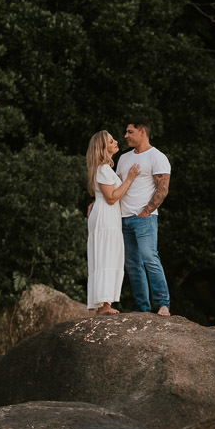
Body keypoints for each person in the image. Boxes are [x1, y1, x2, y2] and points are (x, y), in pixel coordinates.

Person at [116, 119, 172, 316]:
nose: (126, 136)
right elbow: (117, 187)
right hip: (123, 218)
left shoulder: (157, 157)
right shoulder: (123, 158)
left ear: (142, 132)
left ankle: (163, 304)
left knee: (149, 258)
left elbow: (162, 189)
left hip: (144, 218)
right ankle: (143, 308)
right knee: (132, 264)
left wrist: (147, 211)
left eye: (129, 132)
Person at [86, 131, 140, 314]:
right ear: (103, 148)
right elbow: (111, 197)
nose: (116, 141)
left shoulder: (105, 169)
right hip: (105, 217)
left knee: (110, 256)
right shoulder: (102, 169)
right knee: (105, 257)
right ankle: (104, 305)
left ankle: (105, 302)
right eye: (111, 141)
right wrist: (130, 179)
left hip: (109, 216)